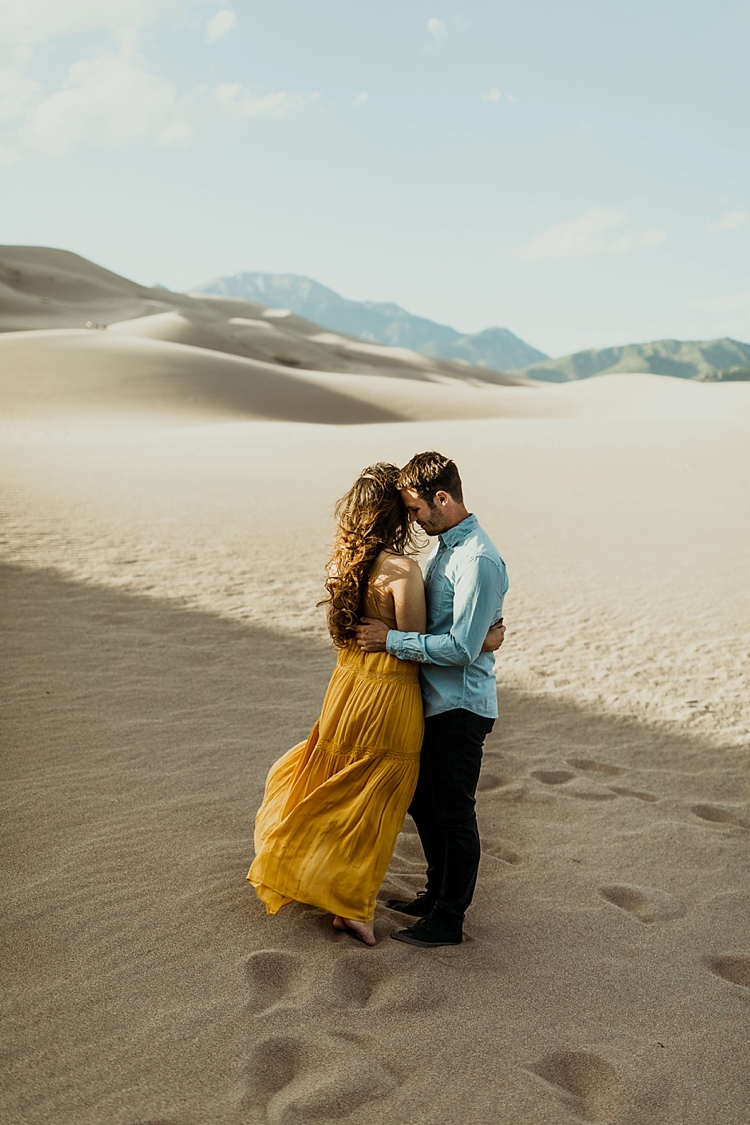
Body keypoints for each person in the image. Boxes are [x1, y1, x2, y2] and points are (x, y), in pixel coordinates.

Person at [247, 462, 427, 945]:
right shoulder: (402, 571)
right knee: (377, 793)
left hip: (346, 687)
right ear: (397, 515)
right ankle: (352, 905)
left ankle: (316, 874)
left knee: (336, 777)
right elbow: (414, 642)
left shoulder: (341, 563)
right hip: (388, 690)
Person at [356, 451, 508, 948]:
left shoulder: (477, 559)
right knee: (424, 802)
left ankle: (449, 919)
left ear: (441, 498)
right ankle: (435, 892)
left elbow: (463, 648)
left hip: (461, 706)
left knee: (455, 813)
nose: (415, 522)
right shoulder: (448, 547)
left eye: (417, 510)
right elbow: (460, 633)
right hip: (433, 701)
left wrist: (391, 640)